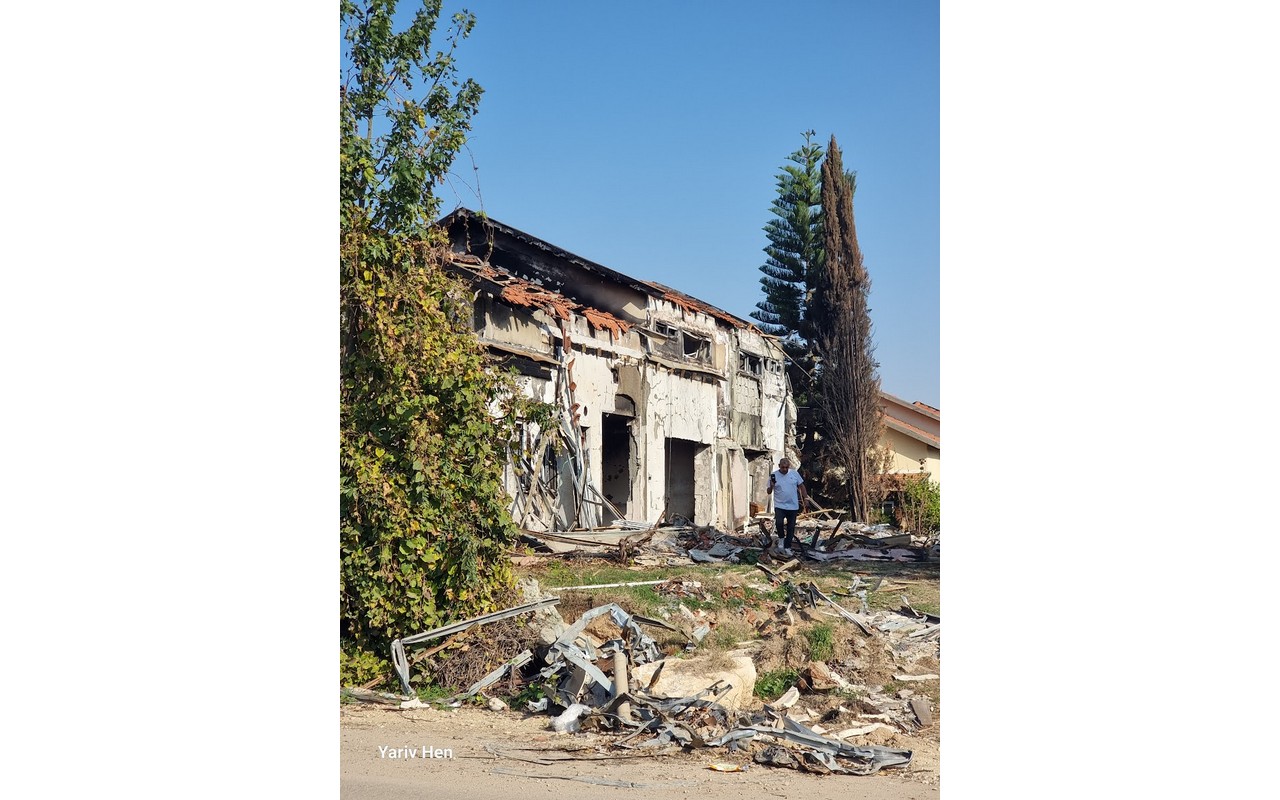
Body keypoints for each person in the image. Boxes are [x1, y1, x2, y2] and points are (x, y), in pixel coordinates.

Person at [766, 457, 808, 555]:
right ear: (779, 466)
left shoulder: (794, 474)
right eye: (782, 467)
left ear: (789, 466)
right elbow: (768, 492)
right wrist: (772, 485)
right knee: (779, 524)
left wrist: (806, 499)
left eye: (786, 467)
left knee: (791, 527)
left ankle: (787, 547)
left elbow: (801, 486)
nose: (784, 469)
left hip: (793, 506)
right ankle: (781, 540)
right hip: (779, 505)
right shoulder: (774, 475)